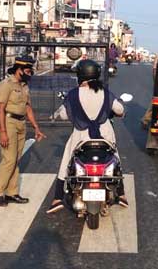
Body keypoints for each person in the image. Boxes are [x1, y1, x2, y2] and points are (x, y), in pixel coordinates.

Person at [47, 59, 128, 213]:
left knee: (67, 160)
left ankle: (57, 198)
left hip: (81, 136)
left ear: (80, 75)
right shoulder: (105, 92)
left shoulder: (73, 94)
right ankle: (122, 194)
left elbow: (64, 115)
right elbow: (119, 110)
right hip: (104, 135)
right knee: (115, 158)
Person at [0, 56, 46, 207]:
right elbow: (0, 109)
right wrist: (3, 131)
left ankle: (12, 193)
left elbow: (28, 107)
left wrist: (36, 127)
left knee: (15, 159)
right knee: (9, 159)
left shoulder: (24, 86)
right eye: (28, 71)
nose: (30, 74)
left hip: (21, 123)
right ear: (19, 70)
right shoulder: (6, 85)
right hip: (7, 122)